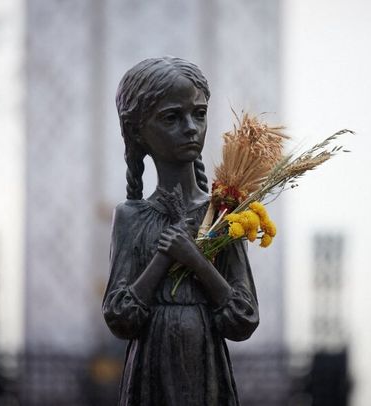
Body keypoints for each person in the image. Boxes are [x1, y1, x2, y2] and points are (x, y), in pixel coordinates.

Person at [102, 56, 259, 406]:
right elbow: (120, 317)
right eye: (172, 117)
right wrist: (164, 257)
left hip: (207, 372)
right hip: (150, 373)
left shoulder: (224, 212)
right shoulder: (130, 217)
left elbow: (243, 318)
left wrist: (197, 261)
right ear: (137, 131)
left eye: (198, 114)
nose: (190, 127)